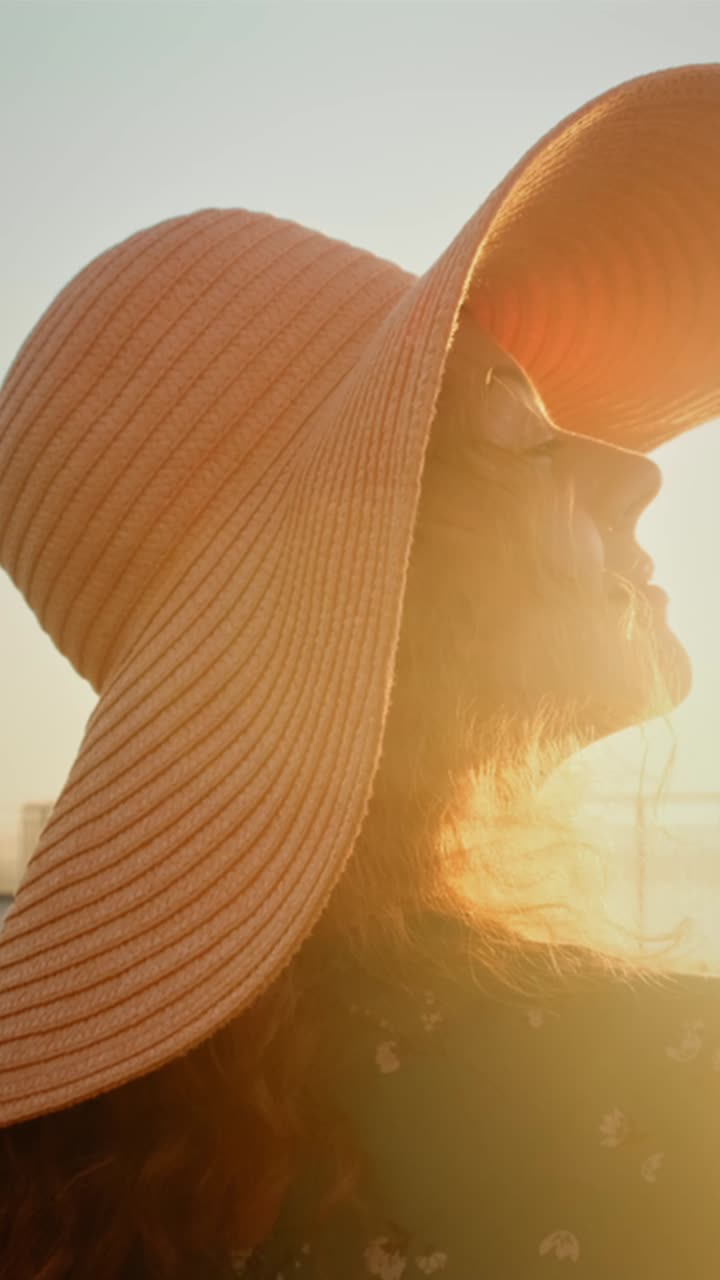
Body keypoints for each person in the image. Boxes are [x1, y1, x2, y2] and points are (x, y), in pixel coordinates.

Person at [1, 64, 720, 1280]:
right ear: (382, 564)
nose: (636, 473)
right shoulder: (675, 1101)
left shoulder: (92, 1168)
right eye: (515, 421)